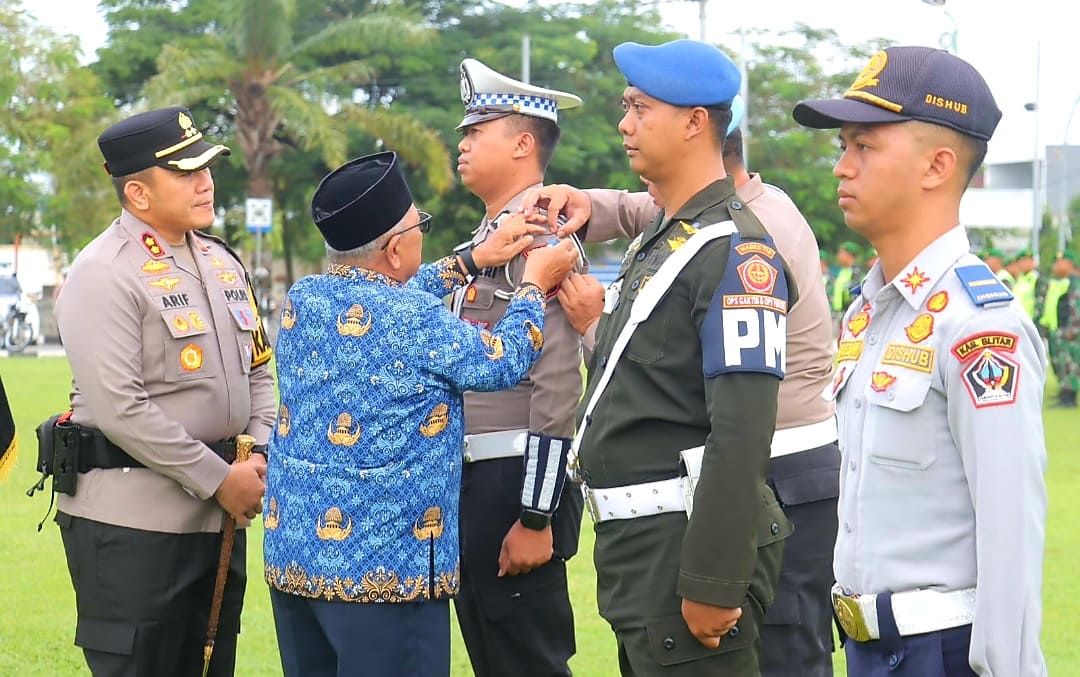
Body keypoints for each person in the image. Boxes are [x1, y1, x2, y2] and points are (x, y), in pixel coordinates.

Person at [527, 94, 841, 677]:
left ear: (697, 126)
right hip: (671, 515)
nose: (624, 125)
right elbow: (634, 212)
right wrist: (584, 204)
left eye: (641, 111)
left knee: (788, 657)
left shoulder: (741, 243)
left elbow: (738, 428)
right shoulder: (680, 228)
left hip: (766, 473)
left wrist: (714, 581)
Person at [262, 150, 578, 677]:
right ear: (392, 250)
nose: (423, 235)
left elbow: (381, 305)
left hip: (298, 561)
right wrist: (532, 285)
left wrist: (471, 260)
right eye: (419, 227)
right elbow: (501, 362)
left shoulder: (305, 298)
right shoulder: (413, 318)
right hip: (387, 576)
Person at [793, 46, 1048, 676]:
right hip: (868, 647)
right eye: (842, 147)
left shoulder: (979, 325)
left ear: (937, 165)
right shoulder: (872, 310)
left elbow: (1010, 525)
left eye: (864, 147)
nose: (840, 168)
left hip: (946, 653)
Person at [51, 106, 274, 677]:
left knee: (211, 665)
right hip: (134, 530)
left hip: (219, 518)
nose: (205, 181)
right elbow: (119, 408)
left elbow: (260, 371)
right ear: (138, 193)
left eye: (207, 167)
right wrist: (220, 478)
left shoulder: (222, 260)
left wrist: (258, 454)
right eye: (185, 171)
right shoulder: (104, 270)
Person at [450, 58, 586, 677]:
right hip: (474, 482)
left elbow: (556, 384)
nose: (463, 142)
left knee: (526, 662)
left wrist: (537, 514)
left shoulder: (540, 237)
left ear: (524, 142)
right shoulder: (492, 235)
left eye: (479, 129)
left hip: (514, 483)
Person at [1047, 250, 1079, 407]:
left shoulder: (1076, 283)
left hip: (1073, 333)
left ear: (1069, 263)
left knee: (1071, 364)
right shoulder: (1067, 282)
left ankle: (1069, 399)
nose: (1056, 266)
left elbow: (1076, 309)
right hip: (1066, 330)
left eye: (1059, 262)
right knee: (1065, 364)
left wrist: (1071, 331)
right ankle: (1065, 394)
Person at [831, 241, 861, 317]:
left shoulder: (855, 272)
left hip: (850, 313)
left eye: (841, 253)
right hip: (838, 313)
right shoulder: (842, 271)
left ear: (849, 255)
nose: (838, 256)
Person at [1012, 248, 1040, 319]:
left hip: (1032, 321)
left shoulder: (1037, 278)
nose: (1027, 263)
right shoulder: (1018, 279)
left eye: (1029, 260)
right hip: (1018, 319)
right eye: (1023, 261)